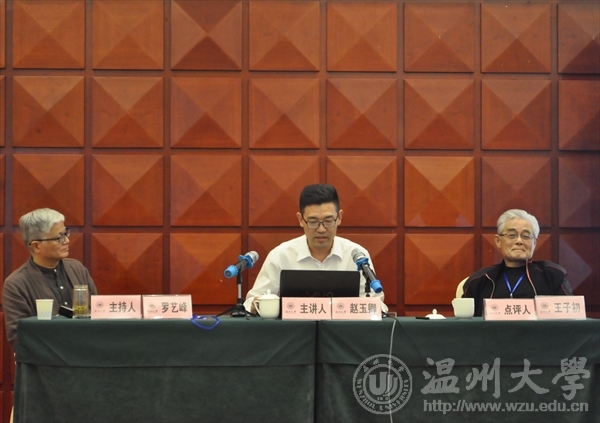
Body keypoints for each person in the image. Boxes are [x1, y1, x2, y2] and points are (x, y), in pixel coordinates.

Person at [244, 184, 386, 312]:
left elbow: (377, 304)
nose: (321, 229)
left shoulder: (357, 255)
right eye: (313, 222)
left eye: (328, 221)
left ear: (339, 217)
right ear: (301, 220)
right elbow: (251, 301)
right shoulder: (281, 255)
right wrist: (260, 303)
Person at [2, 208, 98, 349]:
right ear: (36, 246)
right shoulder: (16, 284)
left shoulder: (77, 269)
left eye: (66, 233)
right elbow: (19, 337)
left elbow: (97, 312)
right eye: (59, 237)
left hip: (87, 353)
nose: (67, 240)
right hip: (47, 360)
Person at [462, 209, 572, 316]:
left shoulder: (553, 276)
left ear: (534, 243)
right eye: (512, 235)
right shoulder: (479, 280)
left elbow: (570, 319)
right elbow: (465, 324)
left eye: (526, 236)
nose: (519, 241)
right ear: (498, 241)